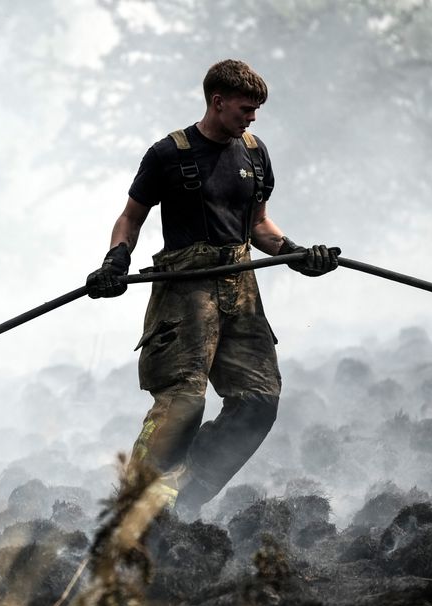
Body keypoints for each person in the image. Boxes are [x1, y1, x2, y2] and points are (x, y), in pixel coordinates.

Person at [86, 59, 339, 519]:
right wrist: (115, 261)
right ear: (217, 102)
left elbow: (259, 225)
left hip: (240, 289)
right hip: (185, 292)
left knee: (259, 401)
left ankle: (181, 500)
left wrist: (299, 254)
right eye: (246, 108)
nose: (253, 118)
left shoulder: (255, 153)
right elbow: (131, 217)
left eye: (257, 109)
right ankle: (134, 502)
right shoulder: (168, 155)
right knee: (183, 402)